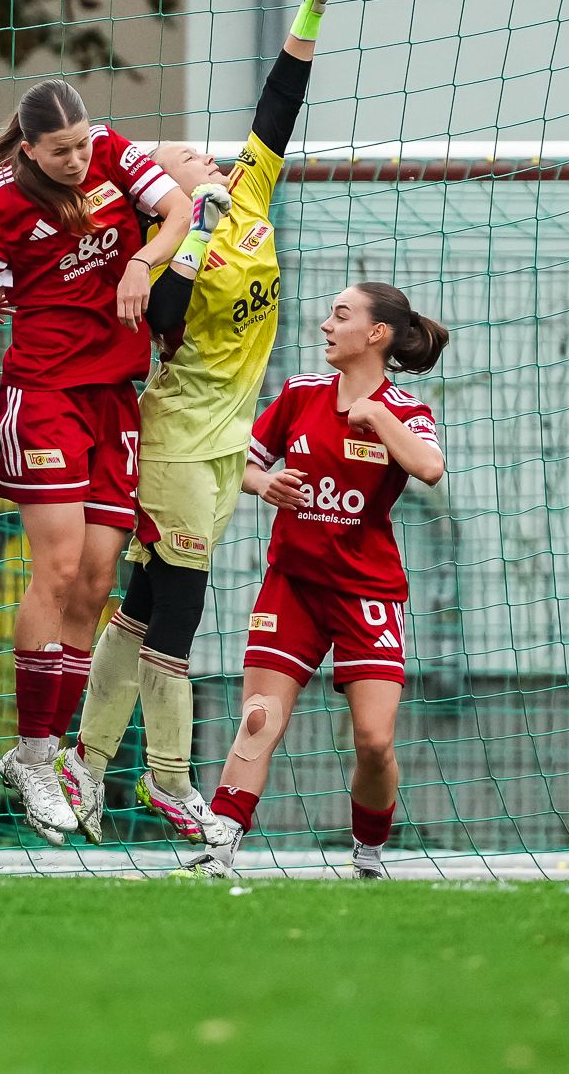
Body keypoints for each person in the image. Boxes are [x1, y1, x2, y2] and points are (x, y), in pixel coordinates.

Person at [62, 0, 334, 846]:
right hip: (176, 442)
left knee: (140, 606)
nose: (204, 159)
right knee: (178, 614)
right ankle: (171, 782)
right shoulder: (162, 250)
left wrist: (315, 2)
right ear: (165, 194)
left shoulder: (247, 196)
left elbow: (279, 101)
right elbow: (167, 324)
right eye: (185, 161)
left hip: (224, 449)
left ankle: (85, 761)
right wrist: (190, 234)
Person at [0, 80, 193, 843]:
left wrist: (142, 262)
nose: (79, 159)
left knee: (98, 578)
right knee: (58, 565)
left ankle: (58, 754)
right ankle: (36, 754)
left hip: (114, 395)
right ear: (30, 149)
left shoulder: (112, 150)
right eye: (62, 151)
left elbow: (179, 210)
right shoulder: (0, 201)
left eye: (83, 144)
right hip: (43, 392)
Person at [182, 282, 448, 880]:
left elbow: (430, 468)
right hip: (293, 585)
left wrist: (376, 413)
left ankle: (369, 854)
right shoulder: (301, 394)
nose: (326, 324)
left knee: (375, 743)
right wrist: (261, 484)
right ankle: (219, 848)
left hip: (367, 593)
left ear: (376, 334)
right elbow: (243, 462)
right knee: (258, 717)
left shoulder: (405, 412)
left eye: (341, 315)